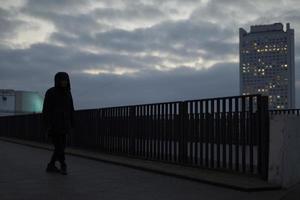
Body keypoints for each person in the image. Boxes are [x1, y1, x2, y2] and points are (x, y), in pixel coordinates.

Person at [42, 72, 74, 175]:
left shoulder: (68, 93)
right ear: (58, 81)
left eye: (66, 80)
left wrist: (72, 122)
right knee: (59, 147)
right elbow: (46, 110)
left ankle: (51, 165)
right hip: (54, 125)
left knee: (61, 147)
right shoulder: (51, 92)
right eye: (62, 80)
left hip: (65, 125)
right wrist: (47, 125)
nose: (64, 82)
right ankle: (63, 165)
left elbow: (71, 109)